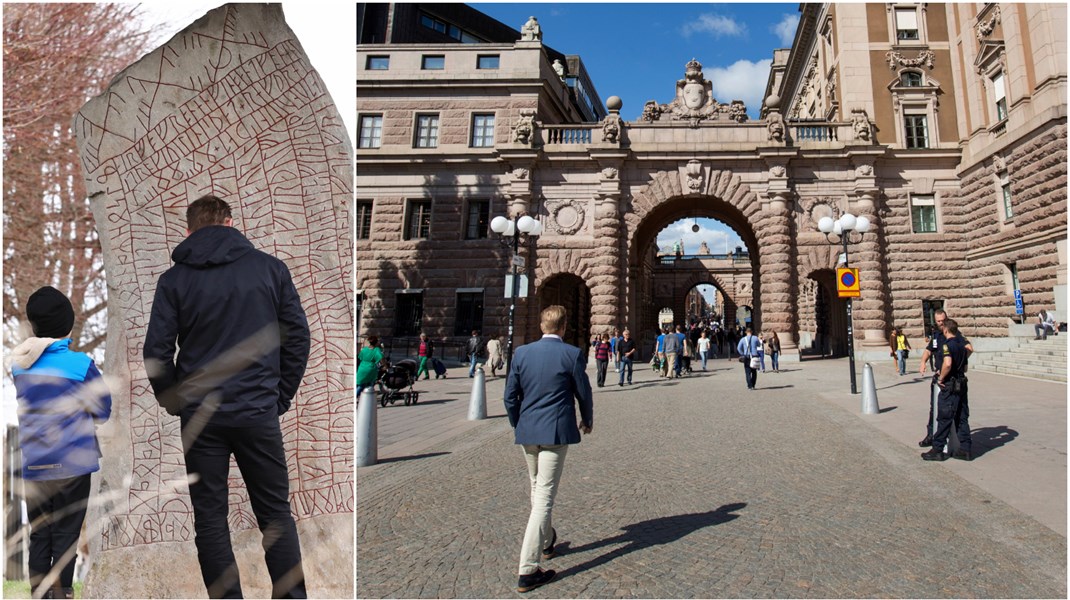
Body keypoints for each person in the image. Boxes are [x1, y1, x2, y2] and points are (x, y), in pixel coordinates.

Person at [144, 195, 310, 599]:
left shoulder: (174, 280)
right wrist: (278, 397)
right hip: (257, 411)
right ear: (231, 223)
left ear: (189, 230)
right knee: (274, 515)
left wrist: (175, 402)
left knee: (211, 520)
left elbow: (156, 353)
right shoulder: (270, 269)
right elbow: (298, 338)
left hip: (202, 417)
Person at [10, 286, 112, 600]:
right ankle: (63, 594)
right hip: (73, 464)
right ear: (67, 324)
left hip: (35, 464)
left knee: (40, 534)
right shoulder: (82, 366)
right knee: (67, 536)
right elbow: (103, 410)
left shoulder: (19, 366)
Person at [503, 305, 593, 594]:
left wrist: (520, 424)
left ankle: (547, 541)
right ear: (564, 327)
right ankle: (528, 570)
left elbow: (509, 397)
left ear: (542, 326)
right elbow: (583, 392)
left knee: (536, 487)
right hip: (555, 432)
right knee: (544, 497)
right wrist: (587, 419)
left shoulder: (522, 353)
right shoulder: (571, 354)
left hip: (528, 432)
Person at [919, 310, 972, 449]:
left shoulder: (955, 335)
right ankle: (932, 435)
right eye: (938, 321)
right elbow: (929, 350)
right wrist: (923, 362)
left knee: (947, 413)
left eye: (943, 320)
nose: (941, 323)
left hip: (948, 379)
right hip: (944, 377)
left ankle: (939, 445)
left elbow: (968, 349)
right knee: (935, 408)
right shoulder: (936, 335)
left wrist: (957, 364)